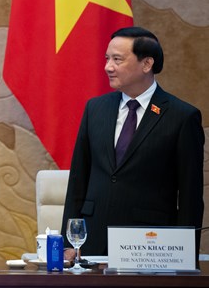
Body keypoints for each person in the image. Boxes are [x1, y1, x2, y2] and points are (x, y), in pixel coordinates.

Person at [61, 27, 204, 257]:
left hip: (149, 247)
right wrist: (69, 242)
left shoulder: (182, 117)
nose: (108, 67)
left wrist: (187, 256)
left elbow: (190, 196)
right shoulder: (95, 109)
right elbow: (79, 179)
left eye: (117, 59)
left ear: (147, 64)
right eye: (107, 58)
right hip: (92, 240)